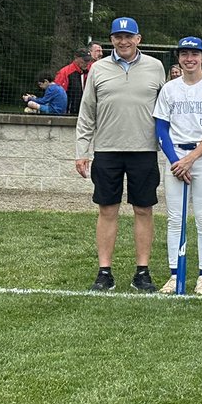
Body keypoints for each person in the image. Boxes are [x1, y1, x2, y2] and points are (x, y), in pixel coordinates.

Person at [74, 17, 165, 292]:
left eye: (128, 36)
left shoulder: (156, 67)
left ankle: (142, 272)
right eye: (117, 37)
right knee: (107, 209)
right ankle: (104, 272)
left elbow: (167, 110)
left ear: (138, 38)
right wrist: (82, 150)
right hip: (107, 150)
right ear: (111, 40)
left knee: (143, 209)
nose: (123, 41)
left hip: (144, 151)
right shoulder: (98, 69)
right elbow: (87, 112)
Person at [153, 36, 202, 294]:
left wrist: (191, 159)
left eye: (194, 54)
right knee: (175, 218)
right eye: (185, 54)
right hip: (176, 158)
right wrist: (177, 161)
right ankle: (175, 274)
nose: (189, 58)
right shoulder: (170, 88)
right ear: (179, 58)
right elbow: (161, 128)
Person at [54, 48, 92, 114]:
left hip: (86, 112)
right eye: (85, 60)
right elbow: (58, 95)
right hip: (70, 112)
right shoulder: (64, 73)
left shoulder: (91, 70)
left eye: (88, 60)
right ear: (76, 58)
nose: (87, 63)